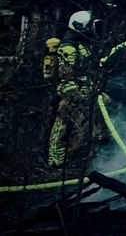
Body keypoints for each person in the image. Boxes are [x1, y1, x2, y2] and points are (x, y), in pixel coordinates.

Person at [45, 10, 99, 168]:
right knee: (62, 125)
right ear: (80, 26)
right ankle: (56, 160)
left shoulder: (83, 46)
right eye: (91, 26)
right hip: (72, 93)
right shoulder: (69, 46)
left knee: (83, 127)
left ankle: (75, 157)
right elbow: (65, 73)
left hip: (84, 91)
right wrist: (73, 93)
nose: (93, 29)